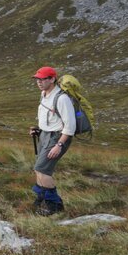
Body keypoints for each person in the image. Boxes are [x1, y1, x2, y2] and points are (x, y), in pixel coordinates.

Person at [29, 66, 75, 216]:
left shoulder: (62, 98)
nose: (39, 82)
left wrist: (59, 145)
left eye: (43, 79)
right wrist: (38, 129)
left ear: (52, 79)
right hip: (45, 135)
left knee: (42, 169)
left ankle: (55, 205)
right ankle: (42, 198)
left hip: (57, 137)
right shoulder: (44, 94)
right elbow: (49, 117)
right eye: (37, 79)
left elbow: (70, 126)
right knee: (38, 169)